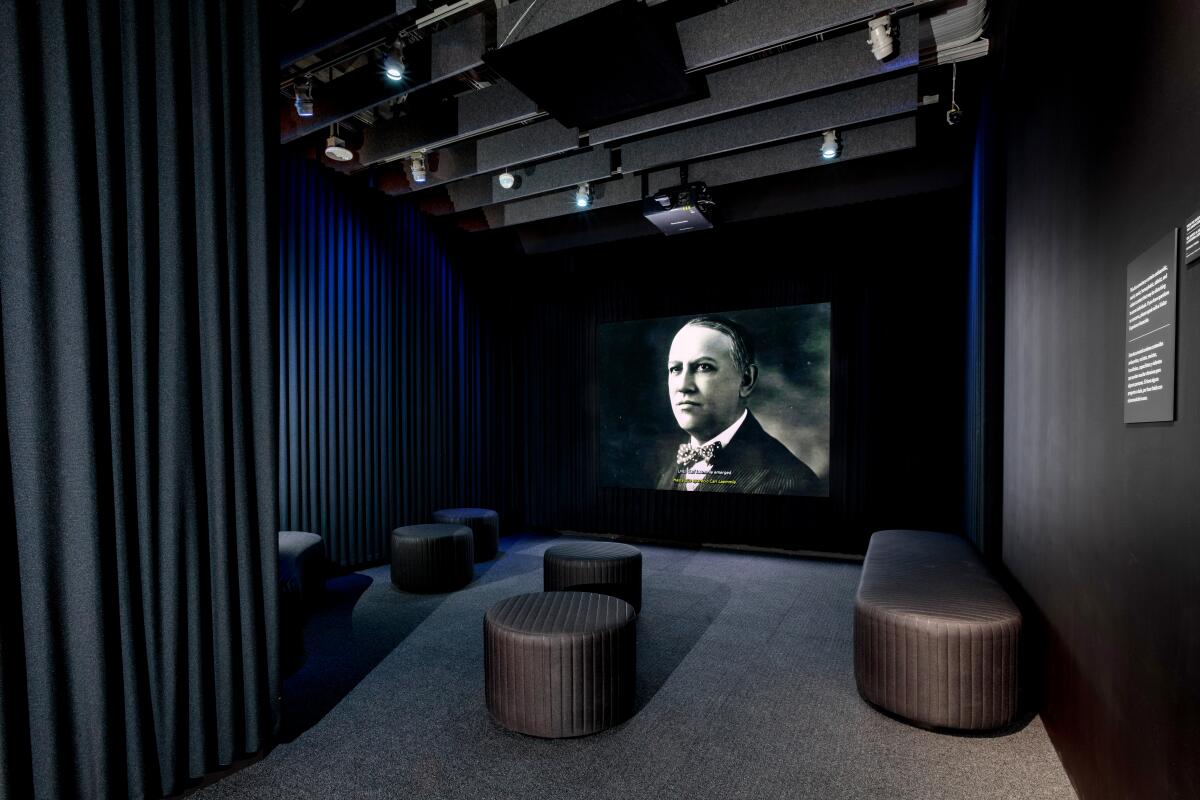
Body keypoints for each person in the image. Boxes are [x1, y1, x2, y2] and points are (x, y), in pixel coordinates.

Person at [655, 315, 821, 495]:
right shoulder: (669, 468)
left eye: (704, 367)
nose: (683, 386)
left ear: (746, 380)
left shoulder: (792, 484)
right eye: (675, 369)